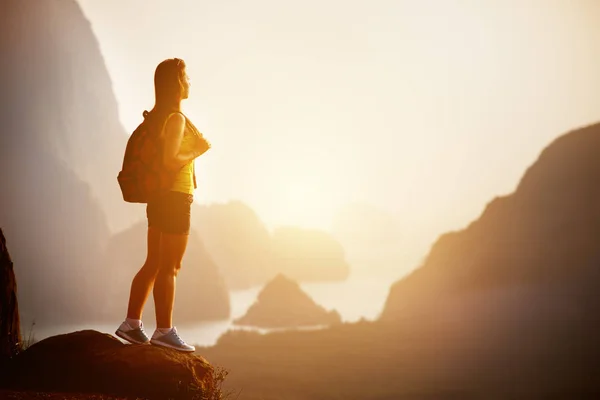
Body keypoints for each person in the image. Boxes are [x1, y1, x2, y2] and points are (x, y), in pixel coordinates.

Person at [115, 58, 210, 352]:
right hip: (175, 199)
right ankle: (164, 331)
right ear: (177, 83)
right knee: (171, 267)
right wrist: (196, 151)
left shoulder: (157, 118)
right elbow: (170, 161)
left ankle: (132, 324)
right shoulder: (176, 119)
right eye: (186, 77)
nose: (190, 82)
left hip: (159, 198)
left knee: (153, 263)